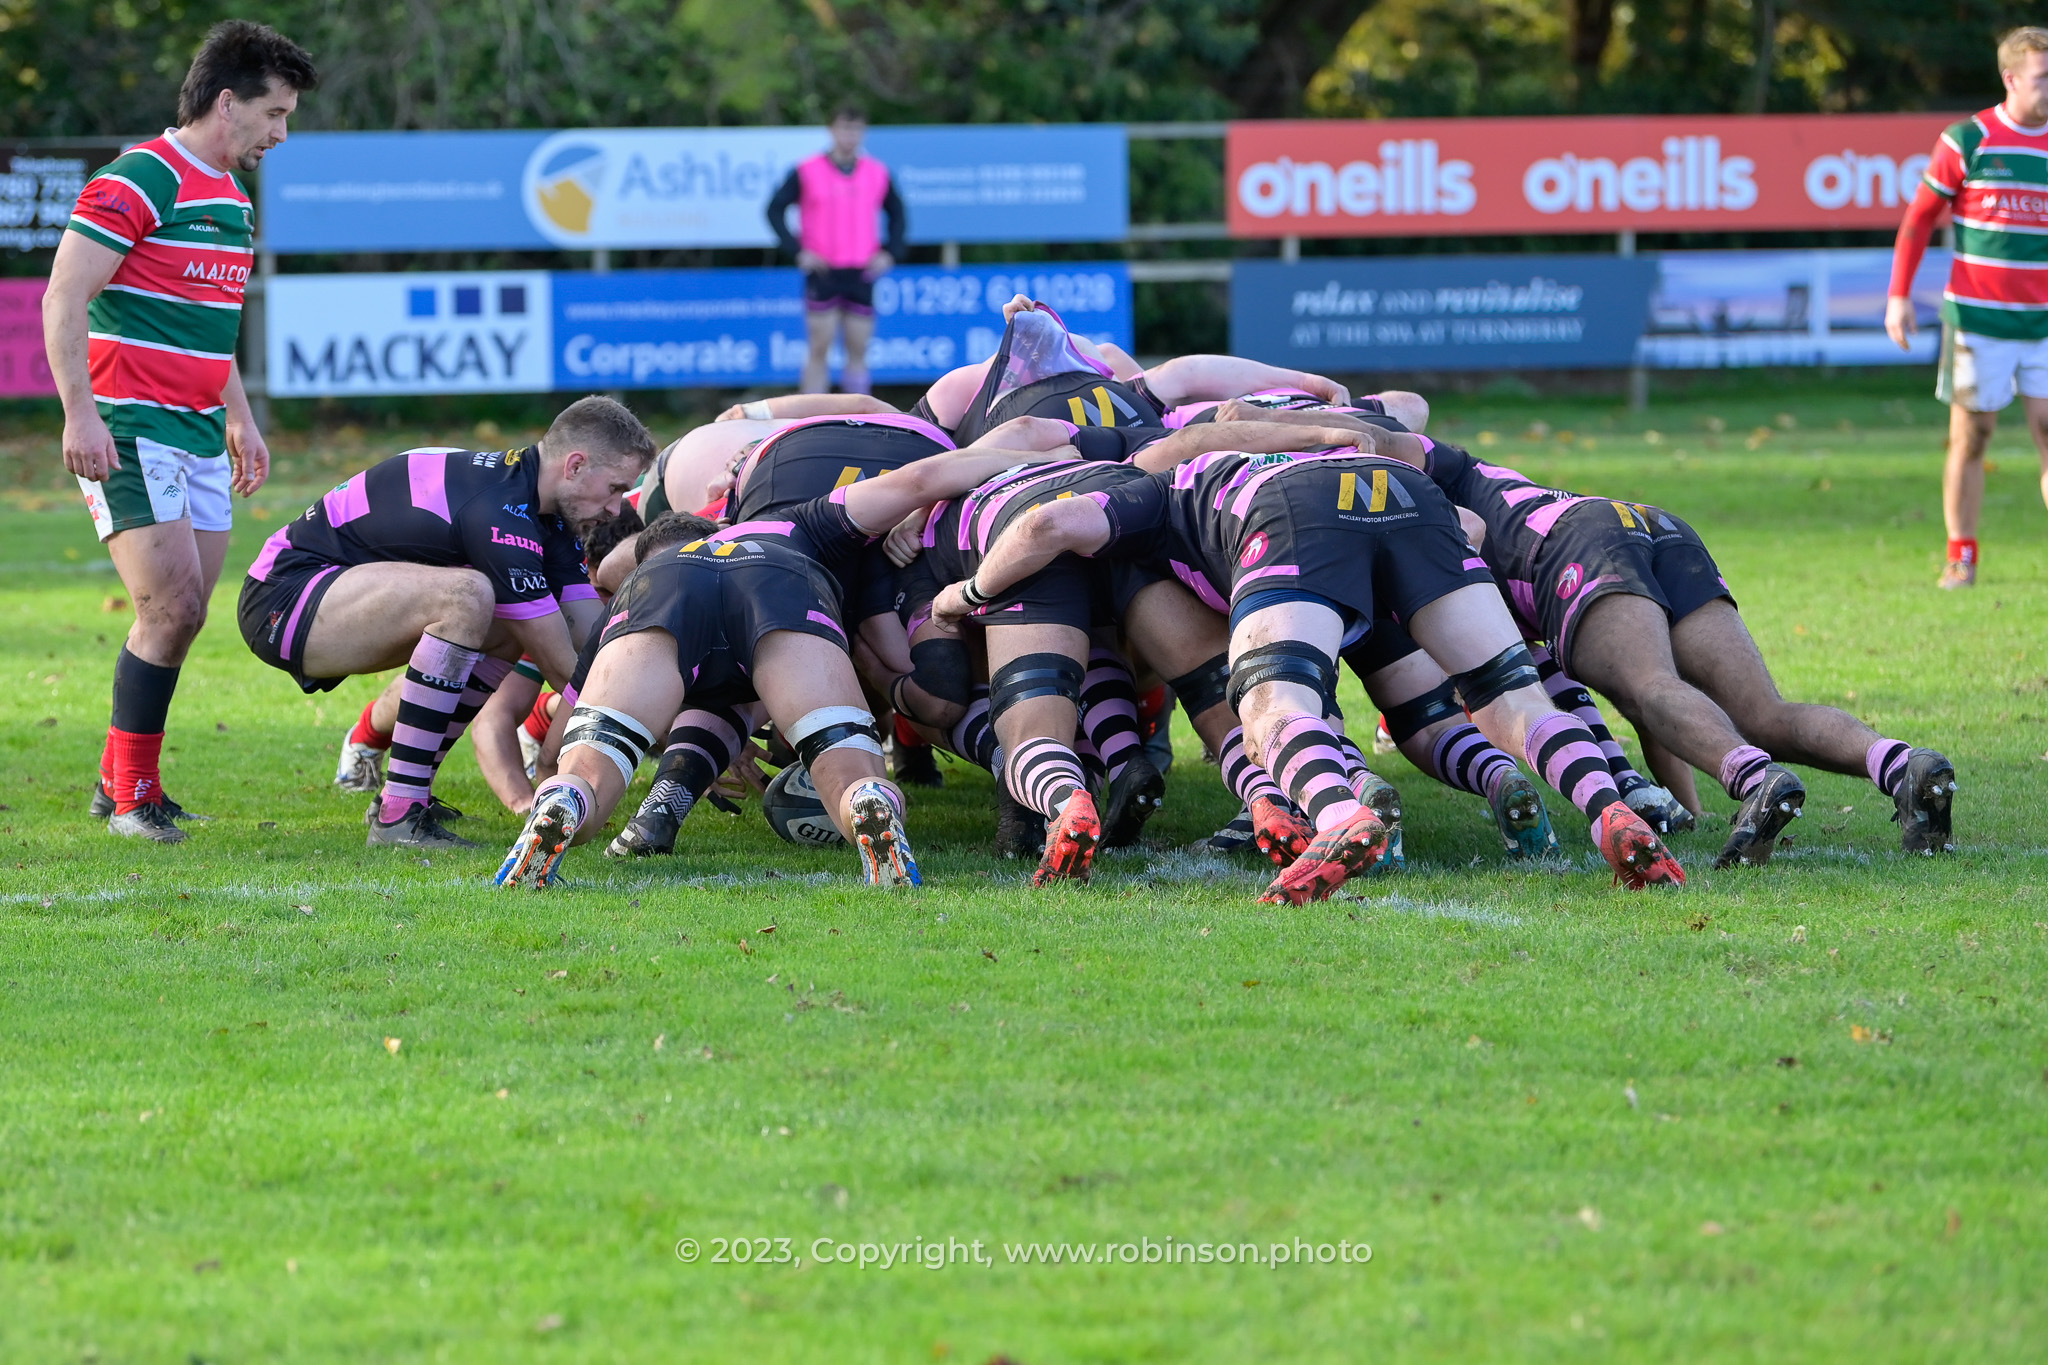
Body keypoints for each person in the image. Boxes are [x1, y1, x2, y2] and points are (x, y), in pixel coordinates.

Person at [933, 440, 1688, 902]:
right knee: (1510, 696)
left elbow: (1050, 522)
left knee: (1272, 709)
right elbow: (1464, 526)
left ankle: (1337, 816)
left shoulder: (1154, 488)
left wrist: (966, 594)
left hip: (1289, 515)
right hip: (1411, 499)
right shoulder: (1256, 454)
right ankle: (1606, 809)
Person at [1401, 436, 1957, 862]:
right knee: (1756, 712)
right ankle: (1902, 765)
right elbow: (1646, 716)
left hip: (1574, 546)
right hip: (1650, 523)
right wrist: (1686, 810)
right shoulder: (1456, 474)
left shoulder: (1411, 495)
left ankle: (1755, 779)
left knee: (1649, 687)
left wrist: (1345, 428)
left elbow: (1402, 418)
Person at [44, 20, 317, 843]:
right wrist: (80, 413)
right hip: (129, 426)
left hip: (198, 432)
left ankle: (120, 782)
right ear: (227, 103)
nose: (280, 134)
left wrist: (241, 415)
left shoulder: (231, 200)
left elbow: (209, 326)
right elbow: (63, 296)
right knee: (171, 607)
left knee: (182, 616)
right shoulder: (140, 177)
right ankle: (134, 801)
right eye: (274, 113)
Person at [237, 396, 653, 848]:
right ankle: (400, 813)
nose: (616, 508)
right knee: (469, 595)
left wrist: (665, 681)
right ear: (574, 466)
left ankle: (405, 797)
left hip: (329, 593)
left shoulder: (542, 516)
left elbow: (593, 635)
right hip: (283, 598)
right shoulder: (499, 510)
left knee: (503, 625)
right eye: (615, 488)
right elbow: (561, 665)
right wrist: (650, 718)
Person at [1886, 26, 2048, 589]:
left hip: (2045, 323)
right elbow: (1918, 220)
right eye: (2042, 78)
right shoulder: (1968, 140)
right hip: (1979, 321)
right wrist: (1899, 296)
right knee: (1972, 438)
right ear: (2011, 79)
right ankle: (1962, 556)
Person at [765, 104, 907, 396]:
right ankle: (809, 416)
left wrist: (890, 252)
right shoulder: (807, 170)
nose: (850, 135)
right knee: (819, 347)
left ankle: (858, 416)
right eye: (844, 128)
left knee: (859, 349)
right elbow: (774, 209)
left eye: (856, 129)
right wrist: (797, 251)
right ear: (832, 130)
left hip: (861, 271)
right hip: (824, 270)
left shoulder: (876, 172)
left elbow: (898, 213)